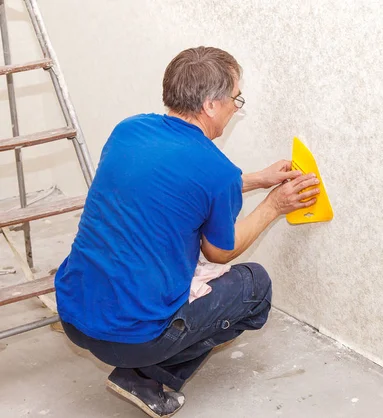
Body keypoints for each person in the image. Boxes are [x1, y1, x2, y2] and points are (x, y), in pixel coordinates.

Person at [54, 46, 320, 418]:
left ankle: (140, 369)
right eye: (235, 98)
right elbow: (219, 253)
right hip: (132, 337)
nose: (236, 107)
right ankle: (143, 375)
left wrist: (258, 179)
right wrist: (273, 205)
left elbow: (177, 185)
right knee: (255, 288)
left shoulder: (129, 130)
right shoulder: (216, 171)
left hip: (74, 313)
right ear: (211, 104)